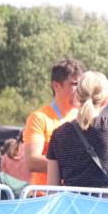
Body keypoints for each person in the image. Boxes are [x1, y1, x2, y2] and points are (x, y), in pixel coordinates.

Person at [23, 58, 85, 188]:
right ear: (56, 86)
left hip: (76, 197)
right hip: (44, 197)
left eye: (82, 84)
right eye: (75, 84)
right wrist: (74, 166)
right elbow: (32, 161)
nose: (81, 89)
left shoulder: (85, 115)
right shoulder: (39, 118)